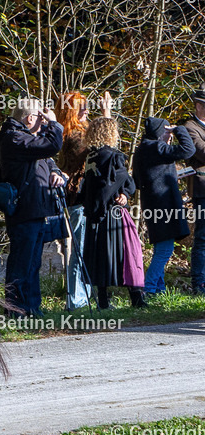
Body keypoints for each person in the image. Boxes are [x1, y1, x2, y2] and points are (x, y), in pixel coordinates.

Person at [0, 99, 66, 317]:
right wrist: (55, 124)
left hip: (35, 208)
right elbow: (51, 146)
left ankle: (32, 307)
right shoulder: (14, 137)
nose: (44, 124)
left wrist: (56, 172)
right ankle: (16, 310)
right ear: (30, 118)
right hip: (24, 209)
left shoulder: (27, 139)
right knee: (21, 262)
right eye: (41, 119)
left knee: (33, 263)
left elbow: (47, 157)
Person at [82, 117, 146, 308]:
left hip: (95, 214)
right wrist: (125, 192)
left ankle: (103, 301)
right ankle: (137, 299)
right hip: (114, 213)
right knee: (129, 252)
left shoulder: (90, 157)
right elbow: (128, 182)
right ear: (110, 133)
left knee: (101, 255)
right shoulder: (113, 156)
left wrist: (123, 193)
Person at [56, 91, 112, 310]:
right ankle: (76, 300)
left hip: (84, 198)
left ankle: (84, 296)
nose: (87, 110)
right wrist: (106, 114)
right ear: (71, 111)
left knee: (86, 249)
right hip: (78, 198)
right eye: (81, 107)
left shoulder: (79, 131)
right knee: (79, 249)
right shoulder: (72, 135)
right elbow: (101, 149)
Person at [132, 117, 194, 297]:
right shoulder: (156, 147)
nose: (169, 135)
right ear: (159, 132)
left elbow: (138, 180)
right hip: (163, 206)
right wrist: (179, 130)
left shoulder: (142, 149)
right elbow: (187, 150)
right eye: (166, 131)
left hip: (152, 204)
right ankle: (149, 288)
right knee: (165, 250)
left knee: (161, 248)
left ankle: (158, 290)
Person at [181, 86, 205, 295]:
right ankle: (199, 283)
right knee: (203, 237)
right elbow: (203, 152)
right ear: (199, 106)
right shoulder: (190, 127)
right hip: (202, 190)